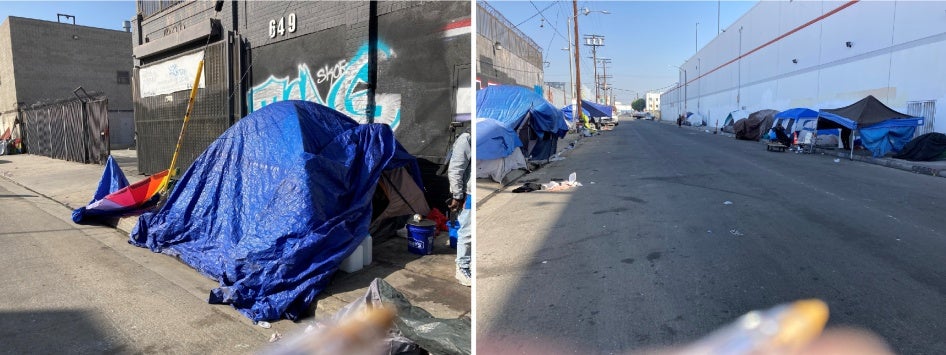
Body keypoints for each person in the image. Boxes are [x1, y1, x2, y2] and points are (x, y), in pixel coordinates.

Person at [447, 130, 472, 287]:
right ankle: (462, 267)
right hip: (468, 193)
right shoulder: (467, 138)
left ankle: (468, 263)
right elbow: (456, 169)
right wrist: (457, 195)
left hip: (473, 191)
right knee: (467, 231)